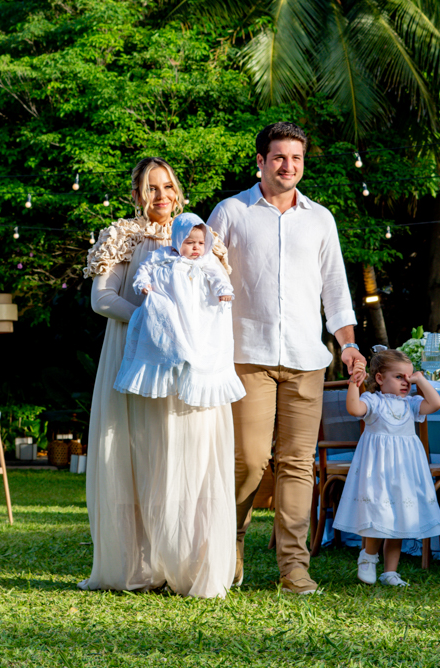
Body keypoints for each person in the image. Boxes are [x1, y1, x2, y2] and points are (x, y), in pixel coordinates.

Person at [208, 122, 365, 594]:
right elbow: (203, 279)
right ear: (260, 161)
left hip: (306, 359)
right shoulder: (230, 213)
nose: (288, 166)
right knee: (249, 460)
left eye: (295, 158)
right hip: (246, 356)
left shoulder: (321, 219)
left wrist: (348, 343)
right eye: (279, 157)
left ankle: (294, 568)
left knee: (298, 464)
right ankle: (228, 544)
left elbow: (336, 291)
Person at [81, 157, 236, 598]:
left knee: (187, 455)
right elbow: (102, 298)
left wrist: (191, 337)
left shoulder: (200, 237)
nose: (162, 196)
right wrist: (153, 323)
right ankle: (138, 567)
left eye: (168, 186)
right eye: (151, 188)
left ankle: (189, 567)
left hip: (191, 362)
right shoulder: (122, 236)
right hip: (137, 356)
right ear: (136, 195)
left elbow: (218, 296)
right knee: (138, 454)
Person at [332, 349, 440, 586]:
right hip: (378, 471)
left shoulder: (412, 404)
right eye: (399, 377)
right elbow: (354, 409)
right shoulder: (374, 402)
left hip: (404, 472)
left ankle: (390, 572)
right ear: (380, 379)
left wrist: (421, 379)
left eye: (408, 377)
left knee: (399, 519)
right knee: (378, 515)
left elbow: (436, 403)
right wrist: (355, 382)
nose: (406, 383)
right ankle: (368, 557)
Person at [114, 213, 244, 408]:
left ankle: (192, 369)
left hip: (195, 309)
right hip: (169, 305)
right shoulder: (162, 255)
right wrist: (143, 283)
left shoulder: (206, 260)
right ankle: (168, 365)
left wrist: (223, 290)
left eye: (200, 243)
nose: (196, 248)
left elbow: (218, 276)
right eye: (190, 242)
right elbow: (144, 268)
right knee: (166, 329)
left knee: (198, 338)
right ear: (177, 240)